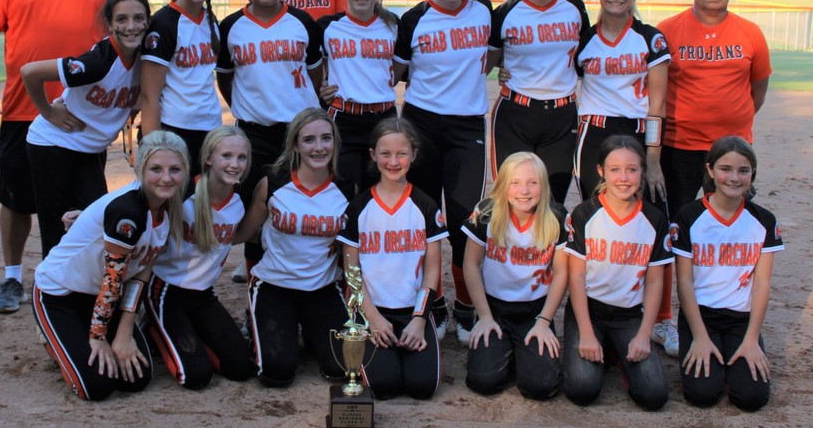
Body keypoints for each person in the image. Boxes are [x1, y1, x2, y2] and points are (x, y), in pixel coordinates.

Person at [0, 0, 123, 314]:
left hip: (84, 115)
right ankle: (12, 278)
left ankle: (71, 280)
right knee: (17, 197)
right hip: (26, 109)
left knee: (84, 205)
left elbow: (127, 33)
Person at [654, 0, 772, 357]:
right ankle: (665, 320)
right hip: (680, 145)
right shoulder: (668, 31)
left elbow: (758, 89)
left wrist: (733, 132)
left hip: (731, 152)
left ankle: (731, 308)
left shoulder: (750, 33)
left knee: (730, 229)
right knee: (676, 230)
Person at [31, 131, 188, 401]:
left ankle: (81, 336)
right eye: (156, 169)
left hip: (102, 298)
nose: (166, 177)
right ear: (139, 168)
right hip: (61, 294)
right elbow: (112, 280)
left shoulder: (170, 206)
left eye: (175, 169)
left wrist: (124, 334)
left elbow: (141, 273)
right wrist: (97, 337)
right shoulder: (127, 211)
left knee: (137, 378)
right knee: (97, 387)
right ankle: (53, 337)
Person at [394, 0, 498, 345]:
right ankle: (432, 304)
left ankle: (466, 307)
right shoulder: (413, 19)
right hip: (420, 126)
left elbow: (494, 58)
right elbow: (398, 71)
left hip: (466, 126)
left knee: (462, 222)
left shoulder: (486, 11)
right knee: (423, 221)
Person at [216, 0, 324, 283]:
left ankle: (299, 282)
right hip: (254, 134)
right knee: (255, 215)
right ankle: (256, 298)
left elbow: (315, 73)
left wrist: (310, 105)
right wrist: (247, 107)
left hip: (298, 134)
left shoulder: (302, 22)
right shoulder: (231, 25)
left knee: (299, 210)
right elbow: (226, 77)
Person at [21, 0, 147, 258]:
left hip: (90, 149)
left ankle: (81, 287)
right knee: (59, 226)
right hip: (53, 144)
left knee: (93, 222)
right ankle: (49, 292)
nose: (131, 26)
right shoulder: (98, 62)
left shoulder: (145, 56)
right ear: (109, 23)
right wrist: (48, 112)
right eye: (122, 19)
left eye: (139, 18)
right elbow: (29, 72)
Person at [239, 108, 352, 387]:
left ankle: (314, 331)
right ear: (295, 145)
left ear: (335, 143)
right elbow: (246, 233)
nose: (318, 147)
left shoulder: (347, 190)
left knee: (340, 368)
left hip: (323, 289)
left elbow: (349, 251)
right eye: (309, 140)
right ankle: (264, 321)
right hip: (275, 286)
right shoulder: (273, 183)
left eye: (326, 138)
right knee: (277, 372)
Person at [337, 117, 447, 399]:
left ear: (414, 154)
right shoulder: (359, 207)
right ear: (373, 155)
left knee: (423, 387)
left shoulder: (425, 206)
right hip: (373, 310)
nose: (394, 161)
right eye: (385, 153)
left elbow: (432, 271)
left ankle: (416, 333)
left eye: (402, 153)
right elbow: (351, 273)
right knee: (384, 387)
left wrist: (420, 319)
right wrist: (371, 317)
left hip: (413, 310)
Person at [673, 136, 783, 411]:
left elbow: (762, 283)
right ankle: (710, 353)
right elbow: (684, 281)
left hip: (741, 320)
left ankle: (736, 351)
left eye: (743, 170)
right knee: (702, 395)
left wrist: (751, 339)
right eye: (725, 169)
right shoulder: (689, 216)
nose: (734, 178)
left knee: (751, 398)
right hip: (701, 315)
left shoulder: (763, 220)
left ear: (752, 174)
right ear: (710, 170)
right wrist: (699, 336)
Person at [562, 136, 671, 410]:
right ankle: (603, 345)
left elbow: (656, 281)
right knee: (582, 390)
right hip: (589, 311)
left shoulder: (655, 218)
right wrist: (586, 332)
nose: (624, 177)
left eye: (632, 169)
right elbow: (575, 277)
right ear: (601, 171)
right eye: (615, 169)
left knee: (653, 396)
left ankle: (618, 354)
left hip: (630, 314)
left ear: (642, 171)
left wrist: (645, 335)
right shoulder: (584, 213)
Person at [145, 127, 257, 389]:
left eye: (242, 158)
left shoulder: (238, 203)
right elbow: (136, 201)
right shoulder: (182, 192)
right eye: (226, 156)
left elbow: (242, 234)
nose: (234, 164)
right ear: (208, 158)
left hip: (203, 295)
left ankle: (189, 331)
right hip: (165, 292)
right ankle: (152, 327)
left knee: (241, 367)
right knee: (195, 376)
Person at [489, 0, 591, 205]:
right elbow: (486, 61)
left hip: (562, 116)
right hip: (515, 115)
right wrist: (501, 65)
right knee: (512, 200)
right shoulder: (505, 12)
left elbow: (585, 60)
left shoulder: (575, 8)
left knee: (552, 201)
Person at [462, 152, 568, 400]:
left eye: (533, 182)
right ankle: (506, 350)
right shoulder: (486, 212)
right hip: (495, 308)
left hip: (534, 311)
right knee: (484, 381)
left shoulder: (557, 217)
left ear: (543, 185)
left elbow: (562, 272)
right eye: (515, 182)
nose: (524, 191)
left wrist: (544, 321)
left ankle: (521, 352)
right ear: (503, 184)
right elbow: (471, 265)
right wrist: (485, 316)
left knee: (541, 388)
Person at [574, 0, 670, 200]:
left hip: (637, 130)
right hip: (594, 131)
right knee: (596, 207)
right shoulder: (583, 39)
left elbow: (657, 106)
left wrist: (653, 158)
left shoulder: (649, 37)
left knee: (645, 211)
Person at [139, 0, 224, 182]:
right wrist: (154, 149)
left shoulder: (210, 19)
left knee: (199, 207)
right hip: (173, 130)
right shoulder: (165, 23)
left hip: (209, 129)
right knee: (170, 206)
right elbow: (149, 96)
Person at [318, 0, 399, 192]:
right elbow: (309, 65)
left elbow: (407, 67)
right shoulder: (327, 26)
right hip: (343, 119)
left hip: (384, 117)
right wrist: (320, 86)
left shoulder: (394, 25)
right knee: (345, 190)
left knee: (383, 189)